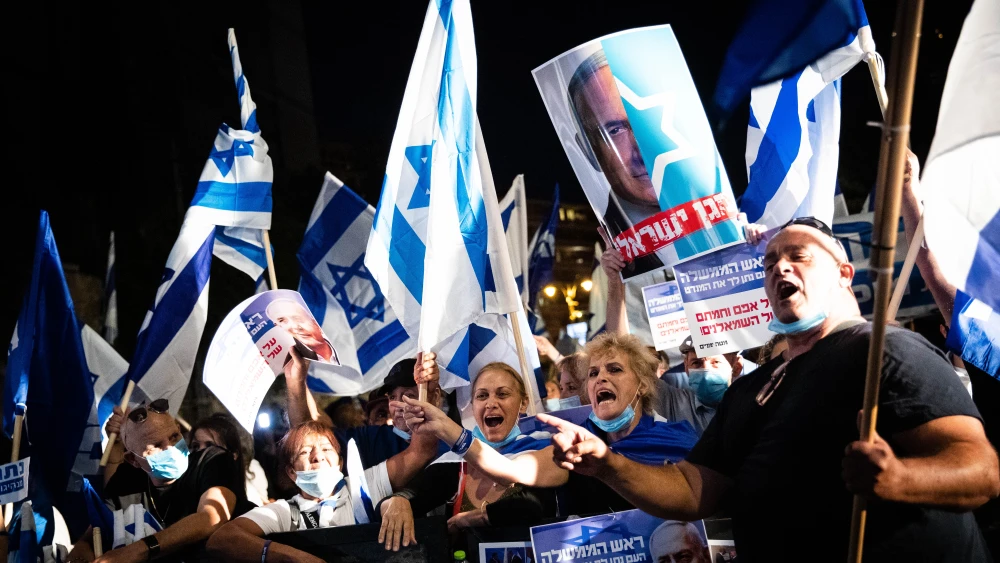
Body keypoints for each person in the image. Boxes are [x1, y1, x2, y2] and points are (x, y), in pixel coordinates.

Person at [540, 217, 1000, 560]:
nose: (780, 267)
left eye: (798, 255)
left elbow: (980, 470)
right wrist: (606, 464)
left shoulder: (889, 350)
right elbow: (691, 488)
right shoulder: (752, 391)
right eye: (770, 262)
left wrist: (900, 479)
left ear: (844, 273)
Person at [401, 333, 699, 517]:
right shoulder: (570, 444)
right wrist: (446, 428)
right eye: (593, 373)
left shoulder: (677, 439)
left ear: (643, 385)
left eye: (615, 369)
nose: (600, 378)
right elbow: (513, 470)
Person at [205, 418, 442, 562]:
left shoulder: (365, 486)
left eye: (326, 448)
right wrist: (290, 556)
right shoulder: (286, 512)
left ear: (340, 462)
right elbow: (221, 540)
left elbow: (422, 450)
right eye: (305, 452)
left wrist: (426, 387)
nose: (317, 455)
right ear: (291, 472)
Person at [68, 399, 251, 563]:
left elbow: (212, 517)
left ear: (179, 430)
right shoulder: (128, 482)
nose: (170, 448)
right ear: (133, 460)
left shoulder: (211, 460)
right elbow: (93, 534)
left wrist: (138, 550)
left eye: (174, 437)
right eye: (156, 446)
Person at [400, 363, 557, 533]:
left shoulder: (544, 447)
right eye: (482, 396)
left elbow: (531, 506)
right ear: (473, 406)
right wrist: (397, 501)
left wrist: (474, 518)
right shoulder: (455, 461)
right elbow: (412, 495)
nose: (491, 403)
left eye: (502, 394)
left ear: (523, 402)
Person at [189, 412, 271, 507]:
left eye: (210, 446)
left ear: (233, 455)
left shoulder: (248, 509)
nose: (201, 451)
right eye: (195, 446)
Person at [265, 297, 337, 363]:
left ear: (313, 318)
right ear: (278, 327)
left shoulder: (336, 333)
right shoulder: (293, 361)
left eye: (297, 318)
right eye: (282, 321)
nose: (294, 326)